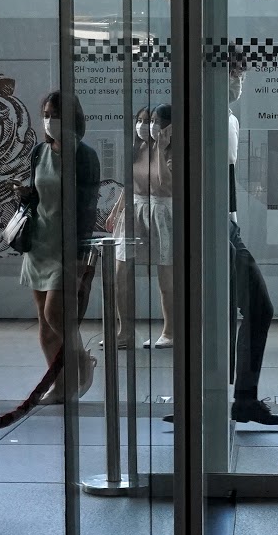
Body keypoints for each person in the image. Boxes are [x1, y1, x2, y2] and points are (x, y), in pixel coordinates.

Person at [19, 91, 101, 405]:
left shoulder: (84, 155)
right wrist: (24, 195)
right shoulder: (39, 152)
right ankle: (60, 385)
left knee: (56, 314)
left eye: (56, 115)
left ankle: (82, 361)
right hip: (39, 243)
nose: (50, 121)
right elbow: (38, 196)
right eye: (46, 115)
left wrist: (80, 257)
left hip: (67, 247)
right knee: (44, 324)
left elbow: (87, 208)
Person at [226, 62, 278, 426]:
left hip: (226, 225)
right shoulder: (198, 119)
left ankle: (239, 398)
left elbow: (226, 175)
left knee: (255, 308)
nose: (239, 82)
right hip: (210, 226)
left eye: (242, 75)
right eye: (235, 73)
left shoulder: (229, 120)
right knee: (257, 307)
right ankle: (232, 398)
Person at [111, 104, 174, 349]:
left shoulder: (171, 150)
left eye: (154, 121)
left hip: (161, 210)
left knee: (165, 276)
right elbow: (129, 183)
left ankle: (170, 331)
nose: (146, 126)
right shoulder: (139, 148)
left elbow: (165, 184)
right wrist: (116, 210)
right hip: (135, 210)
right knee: (121, 271)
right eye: (142, 120)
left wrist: (161, 148)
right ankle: (125, 331)